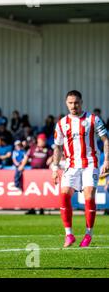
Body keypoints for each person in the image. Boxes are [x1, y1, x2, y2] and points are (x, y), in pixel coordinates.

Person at [52, 90, 109, 248]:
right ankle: (69, 234)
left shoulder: (93, 119)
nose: (73, 105)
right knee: (64, 196)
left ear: (81, 102)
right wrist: (55, 167)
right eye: (70, 103)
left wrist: (107, 160)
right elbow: (57, 146)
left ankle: (88, 234)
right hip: (71, 165)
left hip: (91, 163)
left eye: (76, 102)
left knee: (89, 194)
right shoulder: (62, 123)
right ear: (66, 103)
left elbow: (105, 140)